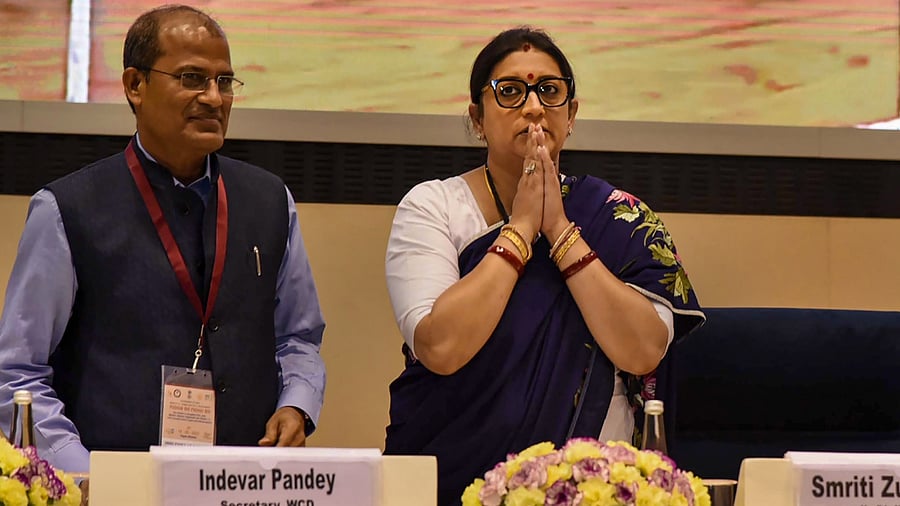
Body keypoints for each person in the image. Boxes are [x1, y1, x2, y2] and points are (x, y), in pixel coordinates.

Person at [383, 27, 706, 505]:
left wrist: (558, 229)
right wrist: (519, 229)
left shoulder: (618, 217)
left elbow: (644, 351)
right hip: (455, 483)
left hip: (594, 487)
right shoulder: (434, 207)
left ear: (571, 115)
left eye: (549, 91)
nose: (533, 107)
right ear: (477, 118)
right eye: (510, 91)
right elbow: (441, 346)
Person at [0, 4, 325, 477]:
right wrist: (88, 475)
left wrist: (297, 404)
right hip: (115, 486)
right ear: (135, 85)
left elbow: (299, 335)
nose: (213, 98)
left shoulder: (270, 200)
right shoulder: (66, 210)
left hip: (241, 481)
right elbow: (17, 374)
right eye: (192, 78)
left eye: (224, 81)